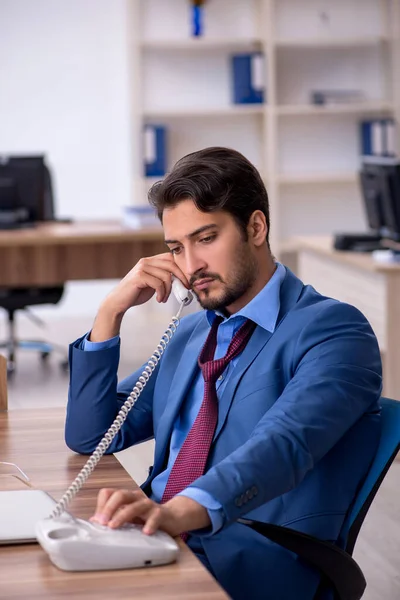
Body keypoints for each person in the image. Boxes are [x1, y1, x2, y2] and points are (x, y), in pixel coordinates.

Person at [65, 147, 382, 600]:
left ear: (256, 227)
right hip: (160, 535)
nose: (190, 266)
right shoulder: (191, 333)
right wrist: (109, 313)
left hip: (256, 554)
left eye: (206, 238)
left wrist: (178, 512)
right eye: (177, 247)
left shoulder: (333, 330)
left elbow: (284, 445)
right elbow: (90, 437)